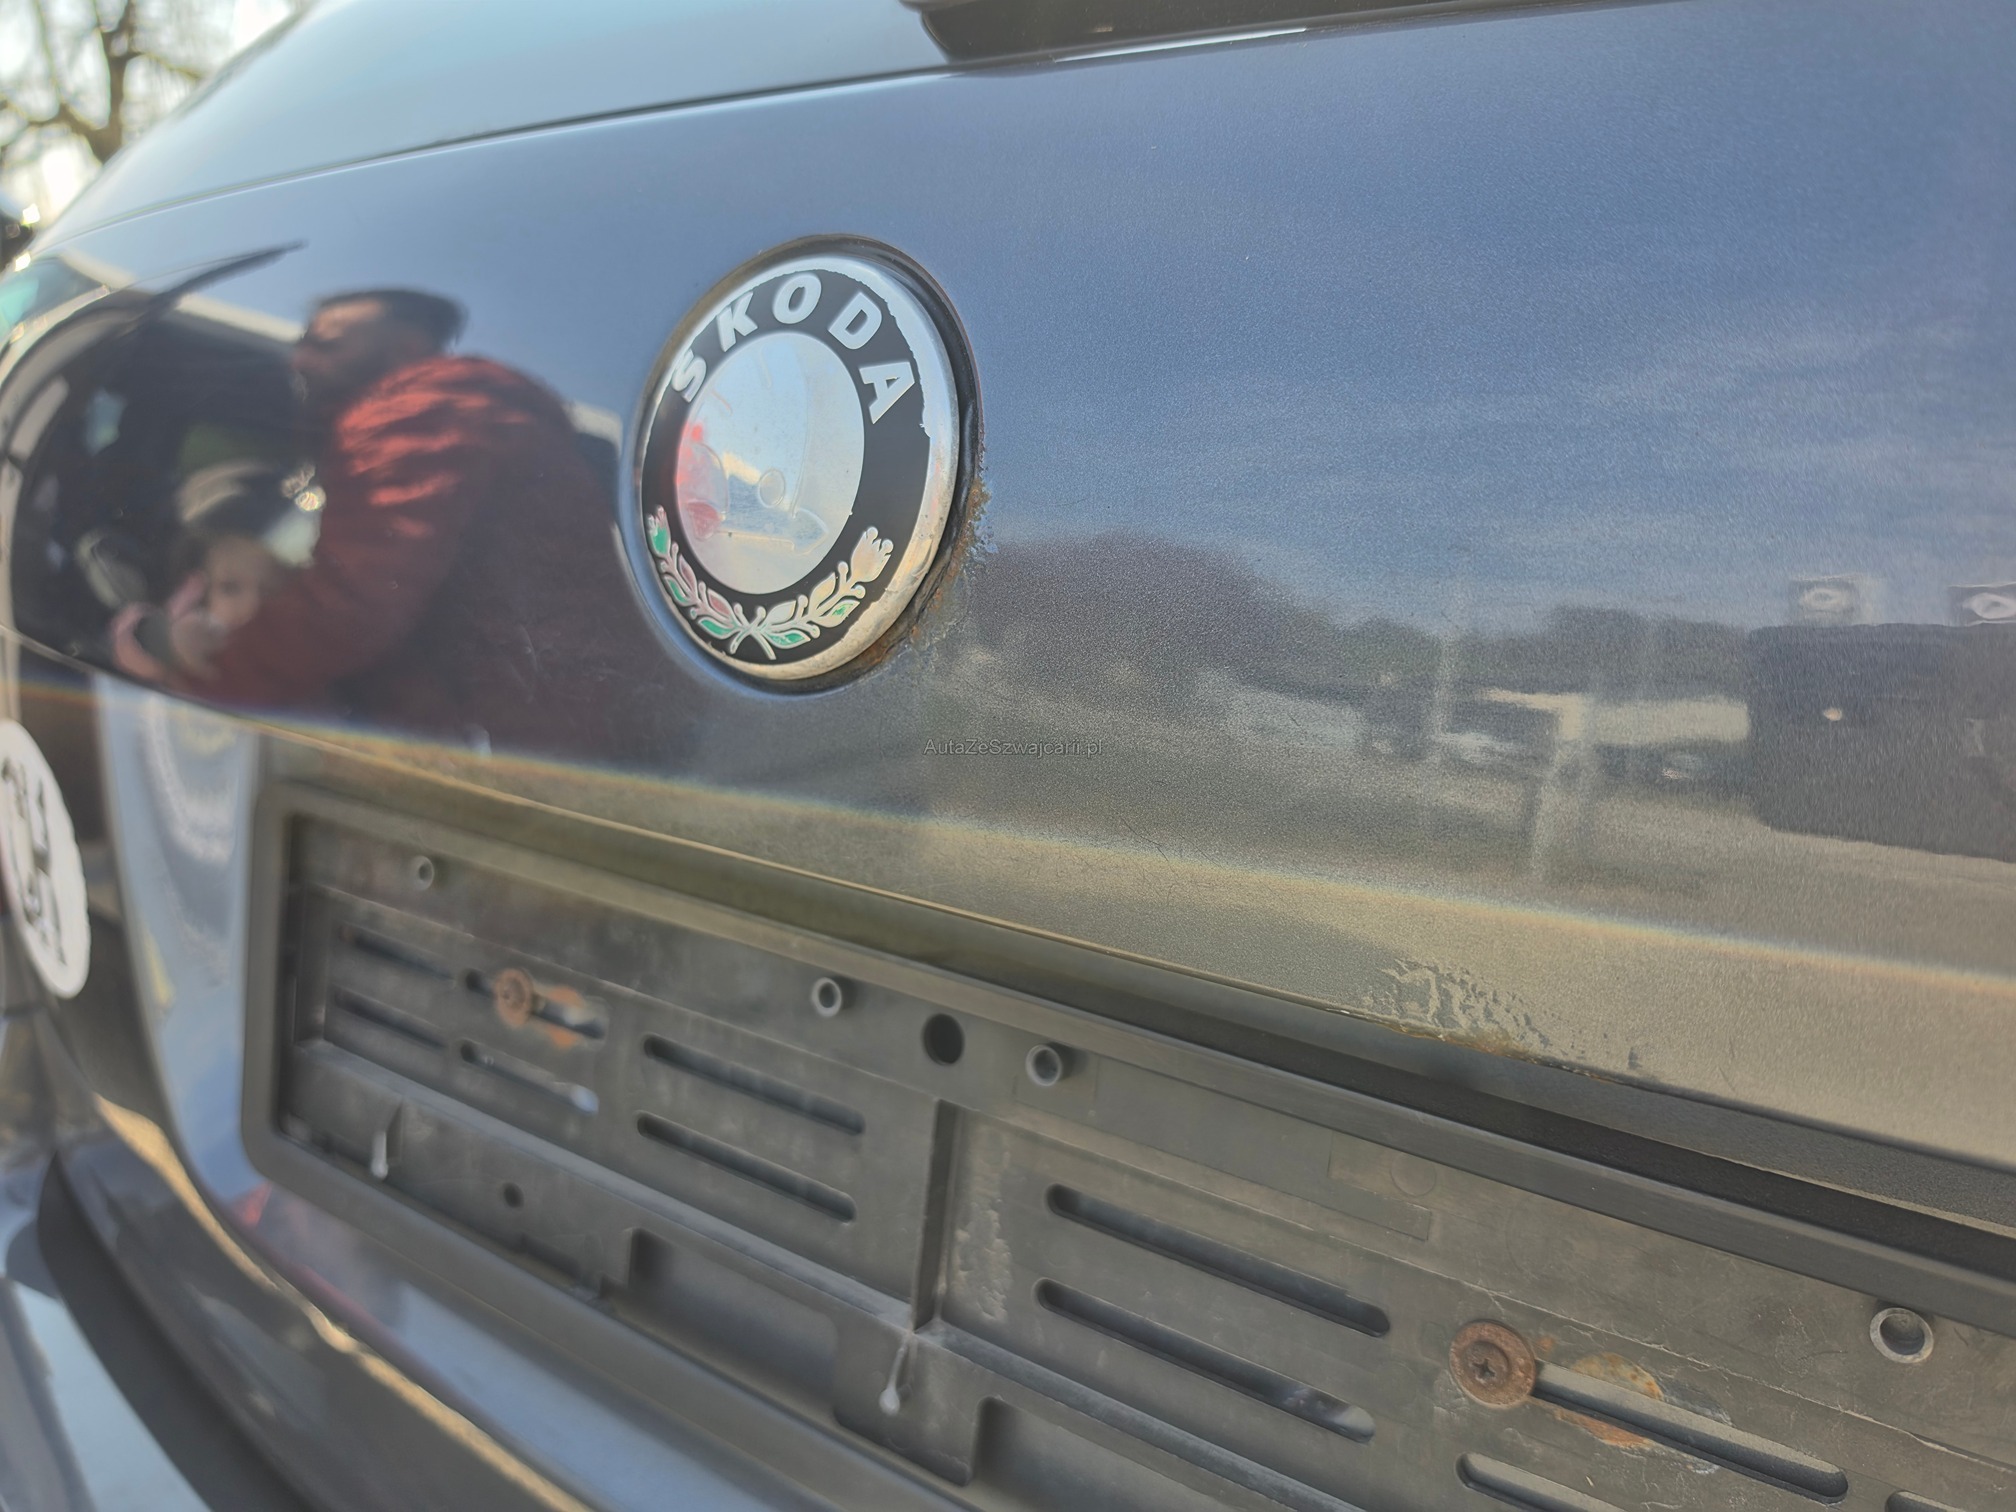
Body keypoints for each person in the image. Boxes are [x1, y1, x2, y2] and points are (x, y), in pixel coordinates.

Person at [113, 288, 636, 751]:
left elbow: (348, 608)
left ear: (408, 345)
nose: (299, 359)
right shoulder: (468, 412)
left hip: (522, 740)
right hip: (567, 712)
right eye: (303, 341)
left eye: (328, 343)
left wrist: (200, 675)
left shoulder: (416, 415)